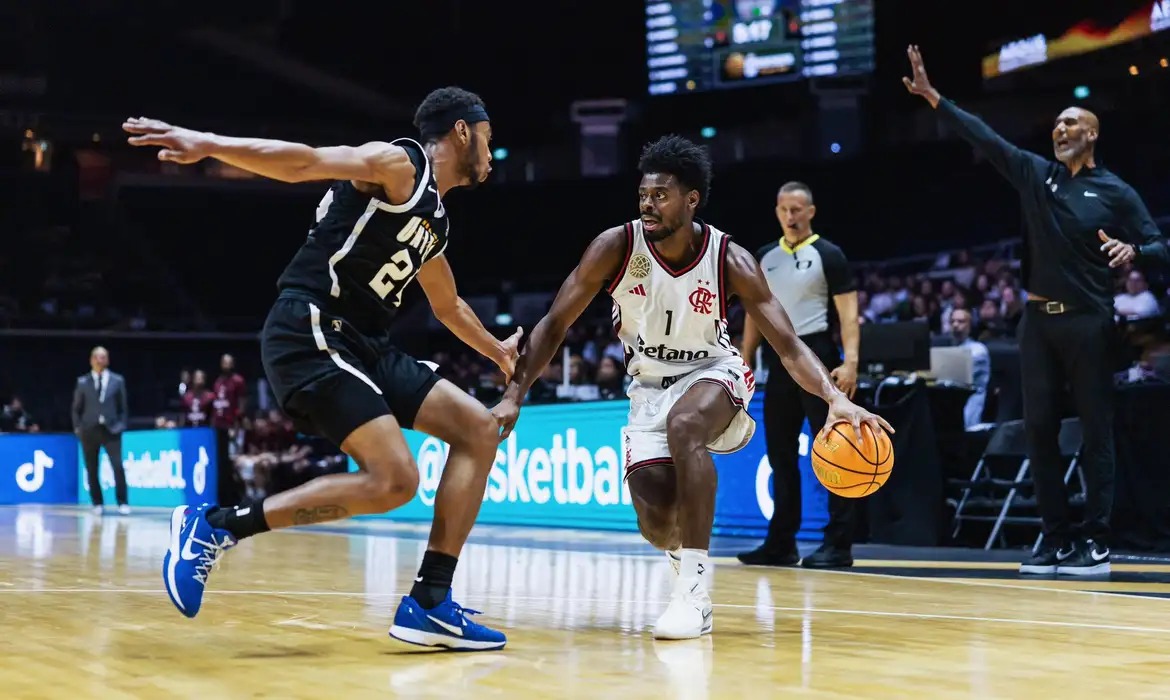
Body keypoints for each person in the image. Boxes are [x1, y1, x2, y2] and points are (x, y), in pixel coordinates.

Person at [123, 86, 521, 650]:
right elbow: (306, 162)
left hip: (364, 344)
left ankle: (430, 601)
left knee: (478, 429)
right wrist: (208, 144)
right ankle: (214, 526)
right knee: (395, 480)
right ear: (462, 130)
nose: (491, 149)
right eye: (487, 135)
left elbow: (447, 304)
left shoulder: (435, 217)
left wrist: (497, 351)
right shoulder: (400, 164)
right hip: (310, 328)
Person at [491, 135, 892, 639]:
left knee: (685, 424)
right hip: (646, 389)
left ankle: (695, 597)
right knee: (658, 523)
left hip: (714, 372)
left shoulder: (730, 259)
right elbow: (554, 324)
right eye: (643, 195)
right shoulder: (615, 247)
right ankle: (682, 558)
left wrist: (834, 398)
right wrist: (514, 394)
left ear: (691, 199)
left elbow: (788, 345)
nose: (648, 205)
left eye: (660, 195)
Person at [903, 45, 1169, 576]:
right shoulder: (1035, 175)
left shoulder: (1115, 192)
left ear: (1092, 134)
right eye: (1056, 124)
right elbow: (985, 136)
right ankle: (1055, 538)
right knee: (1039, 429)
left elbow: (1160, 245)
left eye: (1070, 122)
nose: (1059, 129)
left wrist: (1134, 250)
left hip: (1089, 320)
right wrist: (935, 98)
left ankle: (1096, 540)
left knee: (1095, 430)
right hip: (1038, 322)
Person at [736, 181, 862, 569]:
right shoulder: (764, 257)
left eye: (796, 209)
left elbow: (848, 315)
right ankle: (781, 543)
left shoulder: (829, 254)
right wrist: (745, 358)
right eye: (784, 209)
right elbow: (756, 311)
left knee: (836, 450)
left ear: (810, 212)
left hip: (819, 355)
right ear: (776, 211)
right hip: (779, 360)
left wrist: (851, 362)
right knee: (780, 454)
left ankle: (838, 545)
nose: (790, 216)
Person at [72, 346, 130, 515]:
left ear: (107, 360)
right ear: (91, 360)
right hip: (89, 431)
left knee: (117, 466)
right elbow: (76, 409)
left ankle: (122, 502)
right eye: (97, 357)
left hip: (111, 430)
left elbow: (123, 408)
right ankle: (97, 502)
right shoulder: (83, 382)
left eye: (103, 357)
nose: (100, 360)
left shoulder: (117, 380)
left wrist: (120, 425)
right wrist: (78, 428)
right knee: (91, 468)